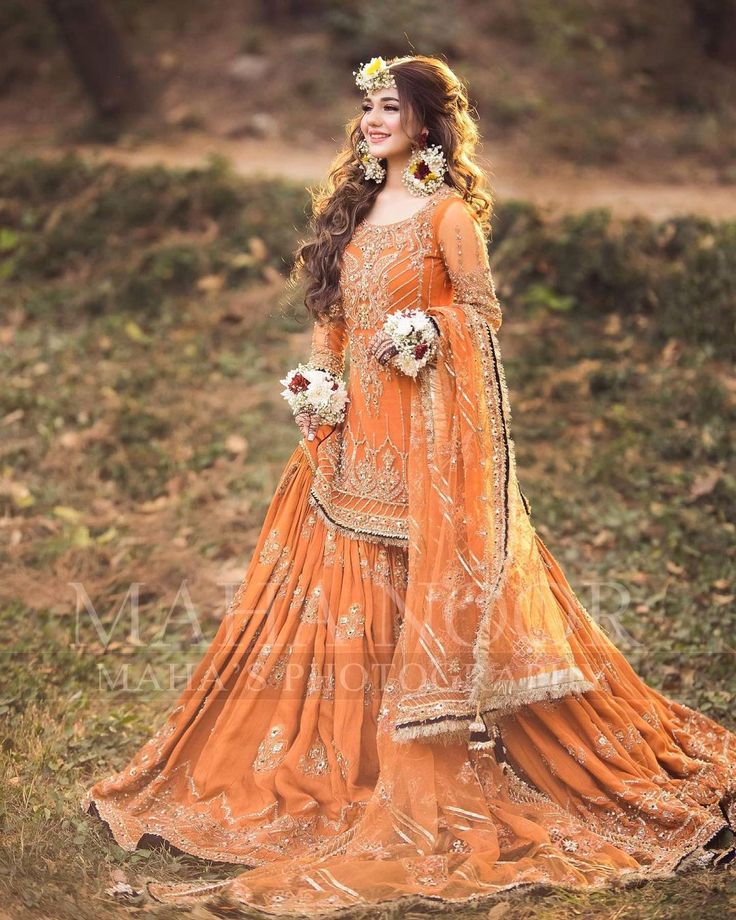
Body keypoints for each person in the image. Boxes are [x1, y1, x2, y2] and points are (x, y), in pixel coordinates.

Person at [82, 54, 735, 914]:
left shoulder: (446, 215)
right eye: (367, 105)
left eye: (390, 106)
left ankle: (459, 758)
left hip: (429, 461)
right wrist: (318, 387)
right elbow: (331, 323)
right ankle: (341, 767)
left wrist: (433, 326)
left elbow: (482, 320)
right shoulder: (348, 211)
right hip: (348, 454)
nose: (372, 118)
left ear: (427, 124)